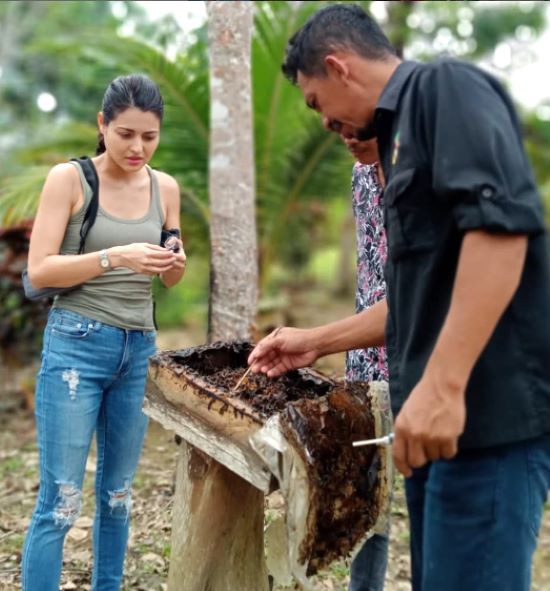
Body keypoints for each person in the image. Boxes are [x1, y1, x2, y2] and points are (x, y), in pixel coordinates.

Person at [249, 4, 550, 591]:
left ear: (339, 66)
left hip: (485, 418)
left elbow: (499, 233)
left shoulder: (443, 88)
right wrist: (315, 342)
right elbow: (415, 297)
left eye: (316, 103)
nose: (325, 123)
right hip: (432, 427)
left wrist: (442, 387)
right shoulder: (393, 146)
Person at [21, 74, 186, 591]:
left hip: (137, 350)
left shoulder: (165, 188)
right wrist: (115, 256)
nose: (137, 148)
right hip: (77, 347)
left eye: (149, 137)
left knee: (117, 497)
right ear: (102, 124)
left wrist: (174, 262)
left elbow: (171, 278)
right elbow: (39, 271)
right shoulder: (70, 180)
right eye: (125, 134)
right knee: (60, 502)